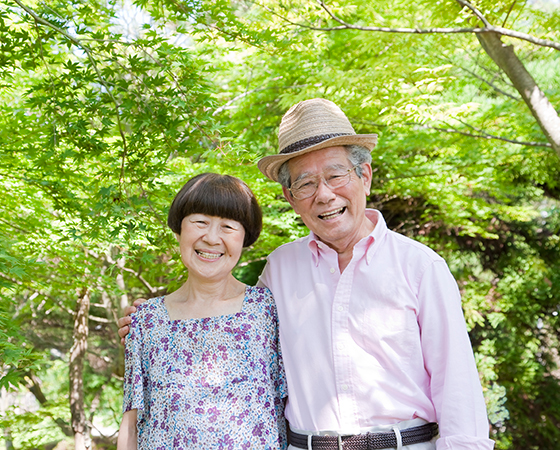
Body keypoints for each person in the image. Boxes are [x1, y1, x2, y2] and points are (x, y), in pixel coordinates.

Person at [120, 99, 495, 450]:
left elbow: (458, 388)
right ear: (289, 196)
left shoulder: (419, 267)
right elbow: (225, 320)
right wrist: (152, 324)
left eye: (336, 175)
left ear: (364, 175)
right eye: (306, 183)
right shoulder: (280, 270)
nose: (325, 194)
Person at [116, 173, 287, 450]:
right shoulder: (147, 320)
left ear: (245, 239)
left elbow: (291, 404)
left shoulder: (267, 309)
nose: (211, 238)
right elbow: (131, 425)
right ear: (179, 230)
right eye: (200, 222)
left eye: (228, 226)